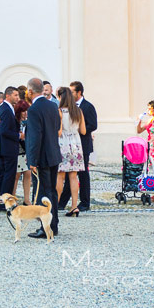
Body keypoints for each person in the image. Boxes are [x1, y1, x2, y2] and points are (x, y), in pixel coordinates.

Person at [24, 77, 62, 239]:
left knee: (42, 193)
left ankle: (45, 227)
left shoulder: (33, 109)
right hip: (53, 153)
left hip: (42, 157)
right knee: (51, 191)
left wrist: (32, 160)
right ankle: (54, 224)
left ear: (30, 91)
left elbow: (35, 136)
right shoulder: (53, 106)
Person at [59, 81, 97, 212]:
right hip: (75, 143)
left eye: (72, 91)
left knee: (81, 175)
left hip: (82, 144)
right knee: (72, 175)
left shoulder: (87, 107)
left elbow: (93, 125)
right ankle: (64, 202)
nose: (70, 94)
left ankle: (84, 202)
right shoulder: (76, 109)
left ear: (79, 92)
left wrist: (76, 130)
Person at [56, 86, 86, 217]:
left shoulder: (59, 111)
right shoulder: (78, 111)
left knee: (60, 176)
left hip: (63, 144)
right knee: (73, 177)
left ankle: (55, 205)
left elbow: (59, 131)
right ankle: (74, 206)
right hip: (76, 144)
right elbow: (84, 131)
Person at [0, 86, 20, 211]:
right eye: (15, 95)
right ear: (7, 96)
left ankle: (0, 203)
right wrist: (19, 135)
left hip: (4, 147)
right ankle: (3, 203)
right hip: (7, 147)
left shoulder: (6, 108)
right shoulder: (6, 109)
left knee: (4, 175)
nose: (18, 98)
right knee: (8, 176)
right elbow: (3, 130)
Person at [12, 92, 32, 205]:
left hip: (26, 150)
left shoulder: (29, 121)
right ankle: (13, 197)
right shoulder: (15, 121)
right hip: (17, 150)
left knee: (27, 173)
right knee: (17, 175)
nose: (25, 113)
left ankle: (27, 198)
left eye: (26, 111)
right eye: (23, 111)